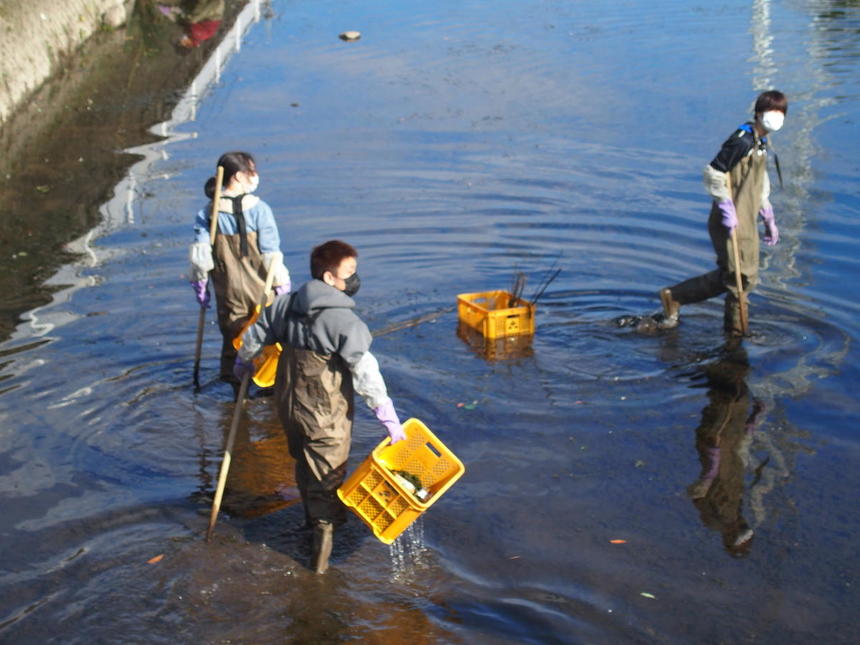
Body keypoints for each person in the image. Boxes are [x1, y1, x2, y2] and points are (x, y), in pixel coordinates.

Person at [234, 240, 407, 574]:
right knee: (328, 476)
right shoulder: (346, 323)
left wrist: (244, 365)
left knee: (302, 460)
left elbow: (253, 337)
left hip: (288, 405)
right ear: (330, 278)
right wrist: (387, 416)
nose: (355, 280)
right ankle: (320, 560)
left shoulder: (283, 305)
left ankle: (313, 520)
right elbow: (365, 373)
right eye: (350, 273)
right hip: (326, 414)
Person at [656, 90, 787, 336]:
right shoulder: (742, 141)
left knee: (737, 277)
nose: (776, 117)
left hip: (747, 217)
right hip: (731, 219)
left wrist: (767, 214)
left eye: (781, 113)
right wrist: (726, 207)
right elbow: (714, 171)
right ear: (758, 113)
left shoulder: (761, 143)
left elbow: (758, 181)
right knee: (740, 277)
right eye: (772, 111)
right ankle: (735, 333)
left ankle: (678, 299)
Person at [188, 151, 290, 387]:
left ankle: (235, 394)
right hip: (261, 287)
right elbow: (271, 254)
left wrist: (200, 283)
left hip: (228, 290)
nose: (255, 176)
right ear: (237, 176)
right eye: (251, 171)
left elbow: (200, 256)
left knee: (233, 338)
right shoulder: (260, 209)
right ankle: (268, 388)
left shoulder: (209, 212)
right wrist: (281, 284)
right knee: (268, 336)